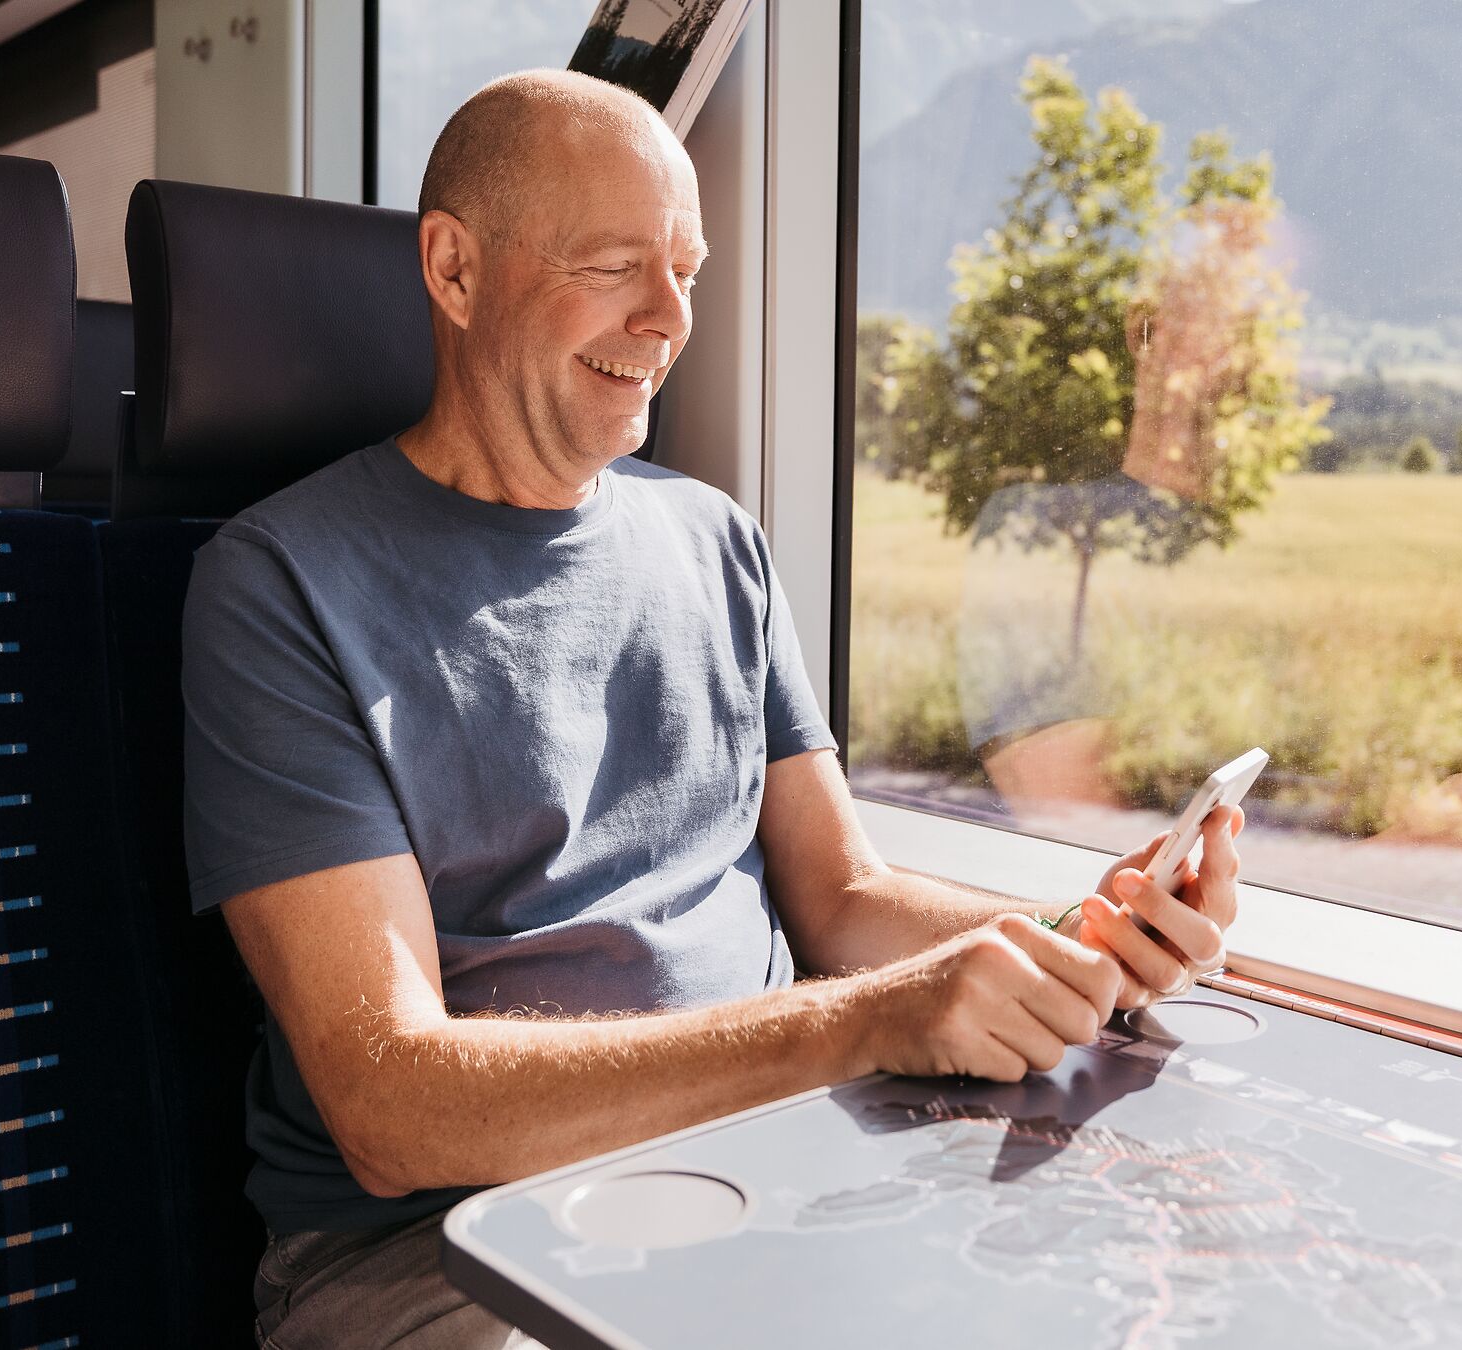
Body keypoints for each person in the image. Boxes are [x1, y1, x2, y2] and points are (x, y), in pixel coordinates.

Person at [179, 71, 1246, 1349]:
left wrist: (1081, 937)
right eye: (618, 263)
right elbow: (393, 1104)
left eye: (685, 267)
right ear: (455, 272)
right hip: (442, 1249)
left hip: (782, 1158)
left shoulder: (714, 540)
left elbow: (843, 901)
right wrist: (859, 1028)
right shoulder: (280, 584)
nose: (670, 317)